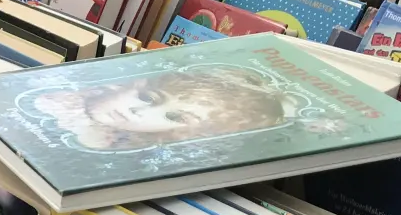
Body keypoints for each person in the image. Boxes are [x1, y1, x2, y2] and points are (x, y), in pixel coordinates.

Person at [26, 65, 297, 152]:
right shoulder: (62, 98)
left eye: (175, 117)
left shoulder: (124, 148)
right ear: (137, 84)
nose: (139, 113)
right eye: (148, 98)